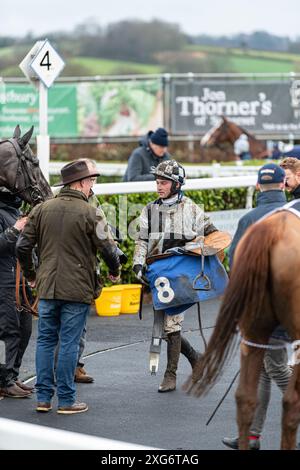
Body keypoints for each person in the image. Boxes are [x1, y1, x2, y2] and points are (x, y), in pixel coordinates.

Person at [17, 158, 121, 414]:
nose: (91, 188)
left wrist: (31, 275)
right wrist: (115, 272)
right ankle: (66, 400)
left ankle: (43, 399)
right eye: (90, 182)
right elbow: (108, 249)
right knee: (68, 344)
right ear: (81, 183)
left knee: (45, 341)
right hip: (77, 288)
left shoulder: (41, 209)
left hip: (47, 286)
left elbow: (22, 246)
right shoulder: (90, 212)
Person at [222, 163, 292, 450]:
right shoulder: (295, 215)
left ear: (257, 186)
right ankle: (251, 435)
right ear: (284, 185)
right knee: (263, 371)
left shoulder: (250, 219)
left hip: (262, 311)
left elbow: (234, 261)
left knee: (275, 369)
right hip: (292, 308)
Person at [133, 159, 218, 393]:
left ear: (177, 184)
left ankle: (170, 375)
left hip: (181, 274)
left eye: (164, 182)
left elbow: (213, 235)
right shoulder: (149, 209)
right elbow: (141, 239)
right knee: (165, 327)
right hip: (158, 274)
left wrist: (195, 246)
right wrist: (138, 264)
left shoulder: (191, 208)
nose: (159, 186)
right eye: (157, 182)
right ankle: (195, 358)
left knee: (171, 324)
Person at [0, 188, 34, 398]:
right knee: (9, 333)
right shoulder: (10, 215)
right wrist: (16, 228)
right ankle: (4, 380)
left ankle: (11, 375)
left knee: (25, 331)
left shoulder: (14, 210)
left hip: (19, 282)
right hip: (4, 282)